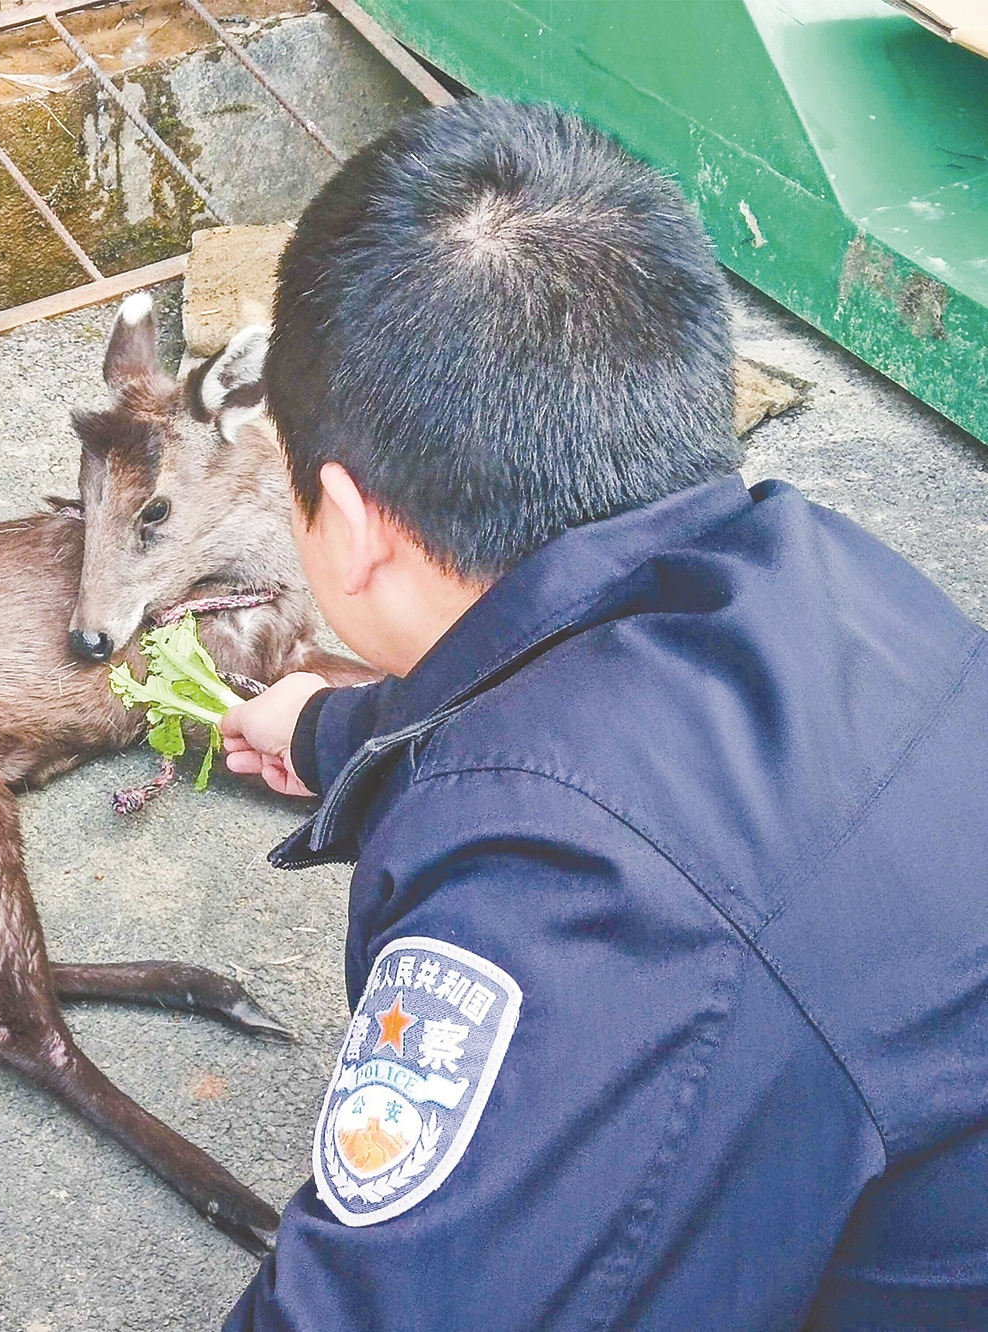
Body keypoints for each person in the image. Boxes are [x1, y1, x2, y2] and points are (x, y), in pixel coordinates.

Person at [218, 98, 988, 1330]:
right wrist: (327, 732)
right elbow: (586, 711)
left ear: (350, 525)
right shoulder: (821, 578)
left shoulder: (563, 897)